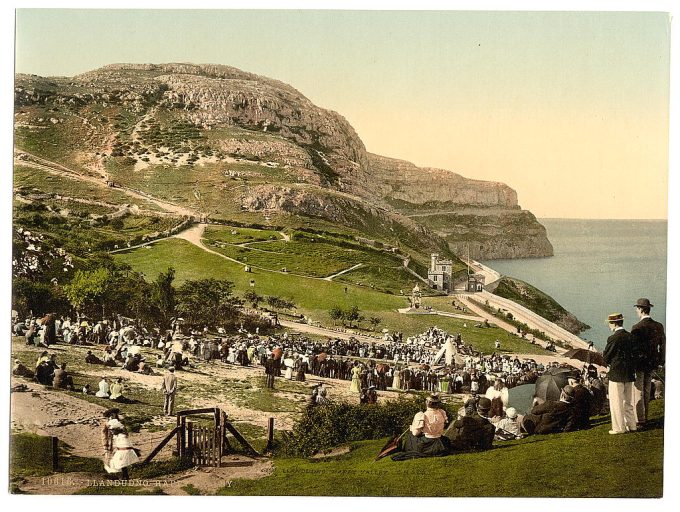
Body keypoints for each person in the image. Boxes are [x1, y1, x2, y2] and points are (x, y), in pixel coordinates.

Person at [630, 298, 665, 429]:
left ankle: (640, 419)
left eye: (637, 309)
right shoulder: (658, 326)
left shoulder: (637, 327)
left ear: (640, 309)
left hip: (639, 364)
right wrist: (660, 361)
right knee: (647, 388)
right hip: (652, 363)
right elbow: (663, 346)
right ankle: (645, 416)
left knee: (638, 390)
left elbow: (633, 349)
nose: (636, 311)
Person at [603, 313, 637, 434]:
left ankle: (618, 428)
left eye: (609, 323)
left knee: (616, 402)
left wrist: (609, 361)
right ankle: (632, 425)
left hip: (616, 373)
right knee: (628, 402)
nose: (609, 326)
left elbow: (606, 356)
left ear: (614, 323)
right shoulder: (631, 336)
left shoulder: (613, 338)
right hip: (629, 373)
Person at [392, 394, 450, 460]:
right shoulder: (442, 412)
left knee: (411, 436)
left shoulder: (421, 415)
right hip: (440, 441)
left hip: (428, 442)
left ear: (427, 403)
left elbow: (415, 433)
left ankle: (407, 449)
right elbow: (444, 425)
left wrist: (412, 428)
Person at [102, 408, 139, 480]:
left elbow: (125, 433)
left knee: (121, 458)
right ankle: (115, 476)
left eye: (113, 414)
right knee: (111, 459)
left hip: (119, 442)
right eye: (110, 415)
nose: (112, 416)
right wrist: (105, 444)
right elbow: (104, 435)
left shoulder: (119, 423)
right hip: (111, 443)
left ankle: (123, 476)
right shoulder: (107, 424)